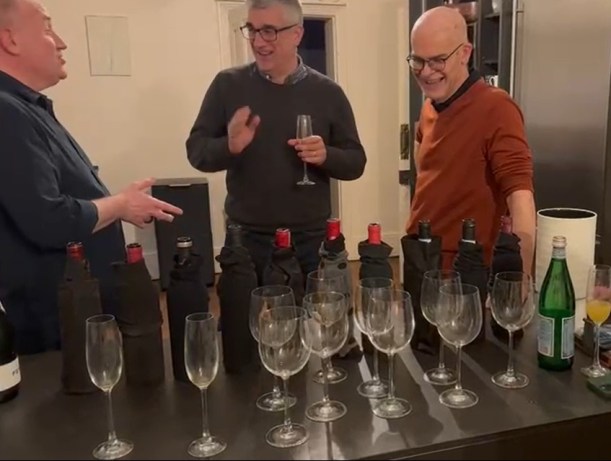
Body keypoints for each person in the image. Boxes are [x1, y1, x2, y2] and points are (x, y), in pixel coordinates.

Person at [0, 0, 183, 354]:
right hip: (55, 326)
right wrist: (120, 205)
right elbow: (47, 219)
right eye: (47, 28)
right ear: (11, 40)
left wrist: (118, 205)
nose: (62, 42)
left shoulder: (28, 108)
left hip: (72, 312)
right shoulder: (6, 112)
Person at [186, 0, 366, 282]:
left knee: (311, 311)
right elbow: (196, 152)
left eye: (269, 31)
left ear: (296, 34)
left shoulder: (328, 93)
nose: (258, 42)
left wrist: (326, 155)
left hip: (309, 239)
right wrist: (229, 147)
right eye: (252, 30)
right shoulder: (227, 85)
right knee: (244, 310)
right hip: (246, 238)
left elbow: (356, 162)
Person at [406, 6, 536, 275]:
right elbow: (425, 171)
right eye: (417, 60)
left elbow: (520, 195)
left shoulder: (497, 107)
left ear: (464, 53)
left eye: (437, 60)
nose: (425, 72)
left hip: (466, 272)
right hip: (422, 258)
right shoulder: (430, 105)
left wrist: (519, 280)